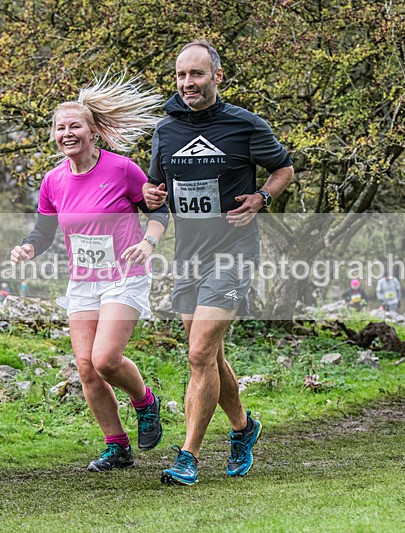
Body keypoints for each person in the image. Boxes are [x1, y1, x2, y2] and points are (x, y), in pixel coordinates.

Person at [142, 40, 294, 485]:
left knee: (198, 353)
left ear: (218, 76)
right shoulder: (165, 131)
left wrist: (262, 197)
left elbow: (283, 168)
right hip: (188, 256)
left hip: (234, 252)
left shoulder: (245, 125)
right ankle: (244, 429)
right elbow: (155, 192)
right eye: (181, 76)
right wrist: (150, 198)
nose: (188, 83)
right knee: (209, 356)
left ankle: (188, 456)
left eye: (198, 74)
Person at [9, 73, 170, 471]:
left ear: (93, 130)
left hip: (125, 274)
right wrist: (29, 246)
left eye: (75, 126)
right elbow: (45, 229)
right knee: (86, 368)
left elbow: (158, 212)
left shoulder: (122, 169)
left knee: (106, 359)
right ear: (54, 135)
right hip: (84, 280)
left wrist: (147, 242)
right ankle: (117, 446)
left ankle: (145, 402)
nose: (67, 133)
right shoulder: (53, 180)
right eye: (60, 128)